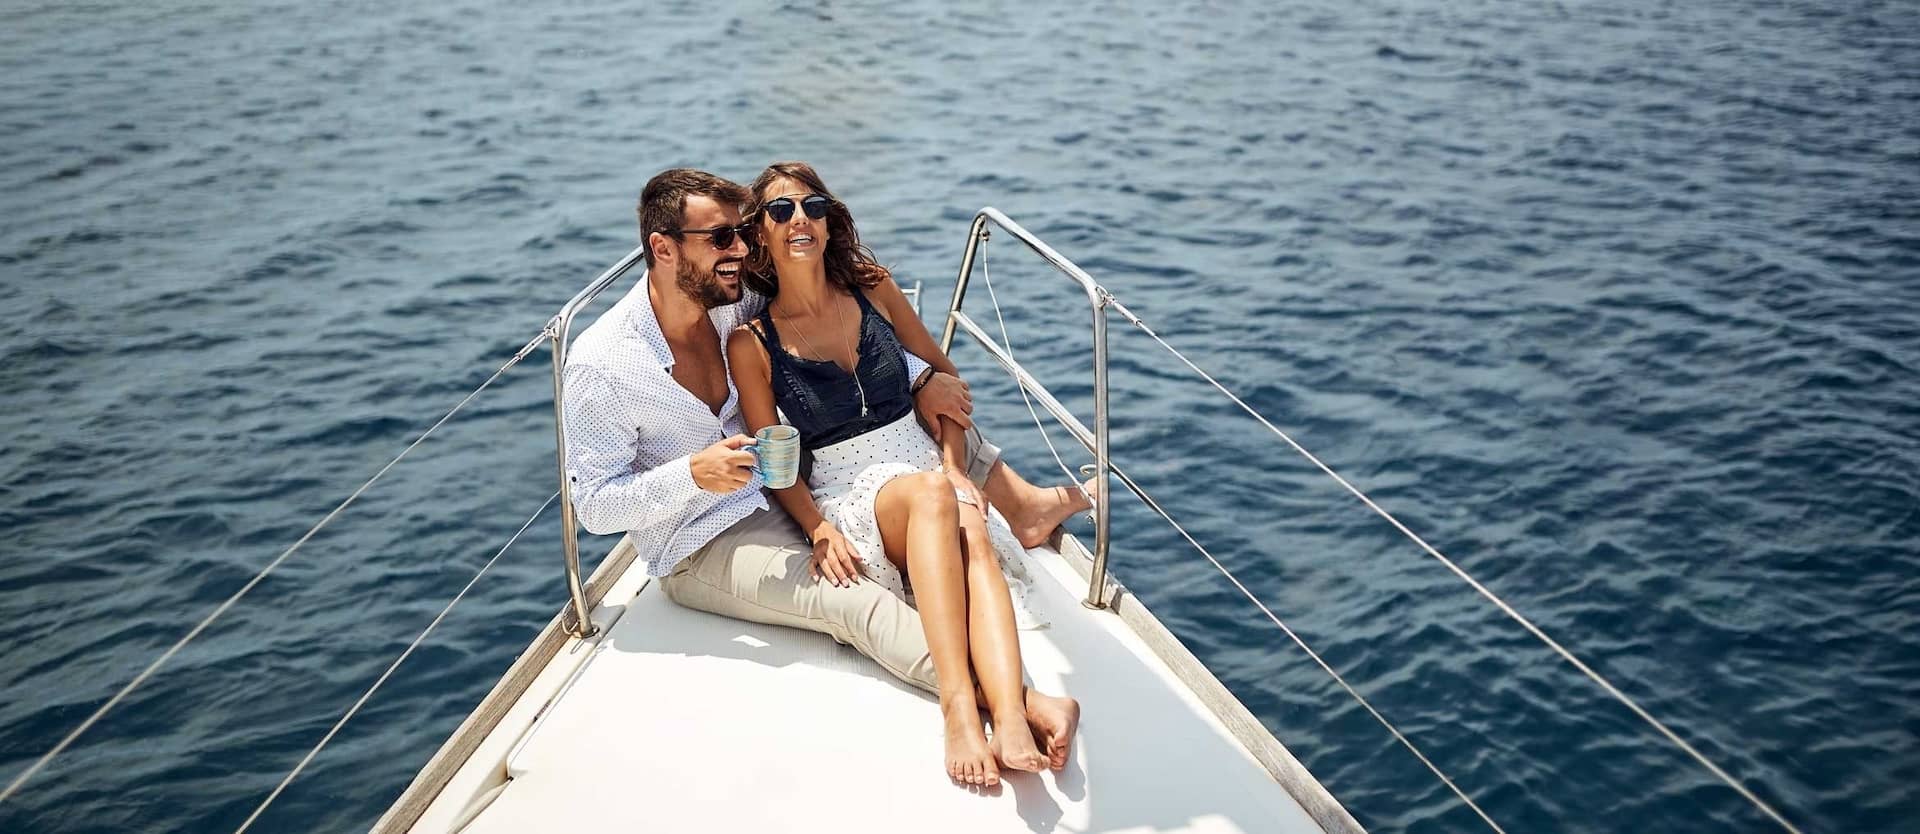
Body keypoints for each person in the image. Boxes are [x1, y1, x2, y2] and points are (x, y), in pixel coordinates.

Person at [563, 168, 1084, 788]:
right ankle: (1018, 704)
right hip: (699, 539)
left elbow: (840, 323)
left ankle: (1017, 523)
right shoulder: (602, 364)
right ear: (664, 249)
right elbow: (594, 507)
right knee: (858, 604)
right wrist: (692, 476)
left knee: (928, 478)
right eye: (722, 238)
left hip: (784, 490)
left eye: (740, 234)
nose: (740, 251)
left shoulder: (731, 301)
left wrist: (921, 376)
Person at [726, 161, 1092, 788]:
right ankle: (959, 711)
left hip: (922, 459)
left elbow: (946, 378)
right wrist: (816, 529)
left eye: (812, 206)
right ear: (760, 233)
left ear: (829, 218)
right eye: (781, 211)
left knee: (967, 523)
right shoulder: (751, 343)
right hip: (849, 488)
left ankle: (1009, 714)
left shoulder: (872, 288)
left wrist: (956, 468)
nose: (800, 220)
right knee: (934, 500)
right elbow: (776, 462)